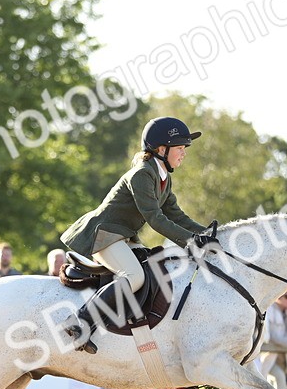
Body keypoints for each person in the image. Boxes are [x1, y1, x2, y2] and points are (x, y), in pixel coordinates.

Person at [59, 116, 215, 353]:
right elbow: (155, 219)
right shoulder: (142, 174)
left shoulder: (163, 178)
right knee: (134, 276)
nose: (184, 153)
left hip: (123, 236)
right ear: (162, 149)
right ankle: (79, 322)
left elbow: (176, 215)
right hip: (104, 234)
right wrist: (191, 241)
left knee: (154, 265)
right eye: (180, 147)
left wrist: (207, 234)